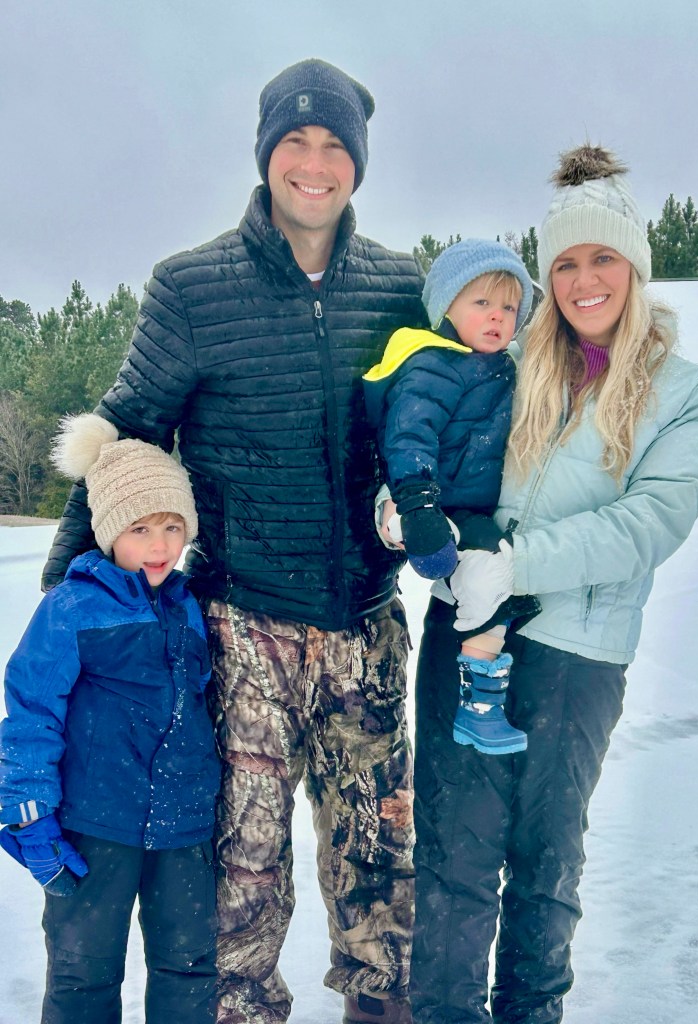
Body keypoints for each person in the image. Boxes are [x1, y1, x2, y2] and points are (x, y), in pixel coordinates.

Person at [41, 58, 425, 1024]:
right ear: (264, 155)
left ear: (358, 163)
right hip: (242, 631)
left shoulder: (400, 288)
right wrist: (67, 603)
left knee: (382, 871)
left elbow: (438, 423)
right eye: (295, 141)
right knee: (239, 885)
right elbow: (125, 439)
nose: (314, 163)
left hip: (368, 629)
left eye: (334, 145)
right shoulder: (192, 288)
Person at [408, 145, 698, 1023]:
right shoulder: (508, 365)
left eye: (603, 258)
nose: (585, 281)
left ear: (636, 267)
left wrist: (515, 565)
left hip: (577, 655)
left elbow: (649, 523)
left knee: (544, 864)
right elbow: (436, 449)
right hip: (468, 633)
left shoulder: (687, 396)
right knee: (452, 857)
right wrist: (403, 505)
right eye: (565, 264)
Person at [0, 413, 220, 1024]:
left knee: (189, 968)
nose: (160, 546)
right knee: (83, 974)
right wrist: (29, 813)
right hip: (95, 825)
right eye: (140, 528)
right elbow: (31, 710)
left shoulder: (189, 606)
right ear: (108, 532)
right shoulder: (72, 607)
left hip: (183, 826)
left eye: (172, 527)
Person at [364, 239, 541, 756]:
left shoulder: (499, 365)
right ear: (446, 307)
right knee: (490, 576)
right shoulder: (436, 364)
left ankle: (481, 702)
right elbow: (409, 436)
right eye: (481, 303)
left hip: (467, 504)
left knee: (496, 581)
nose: (497, 317)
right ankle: (479, 708)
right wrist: (418, 506)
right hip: (430, 498)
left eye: (509, 307)